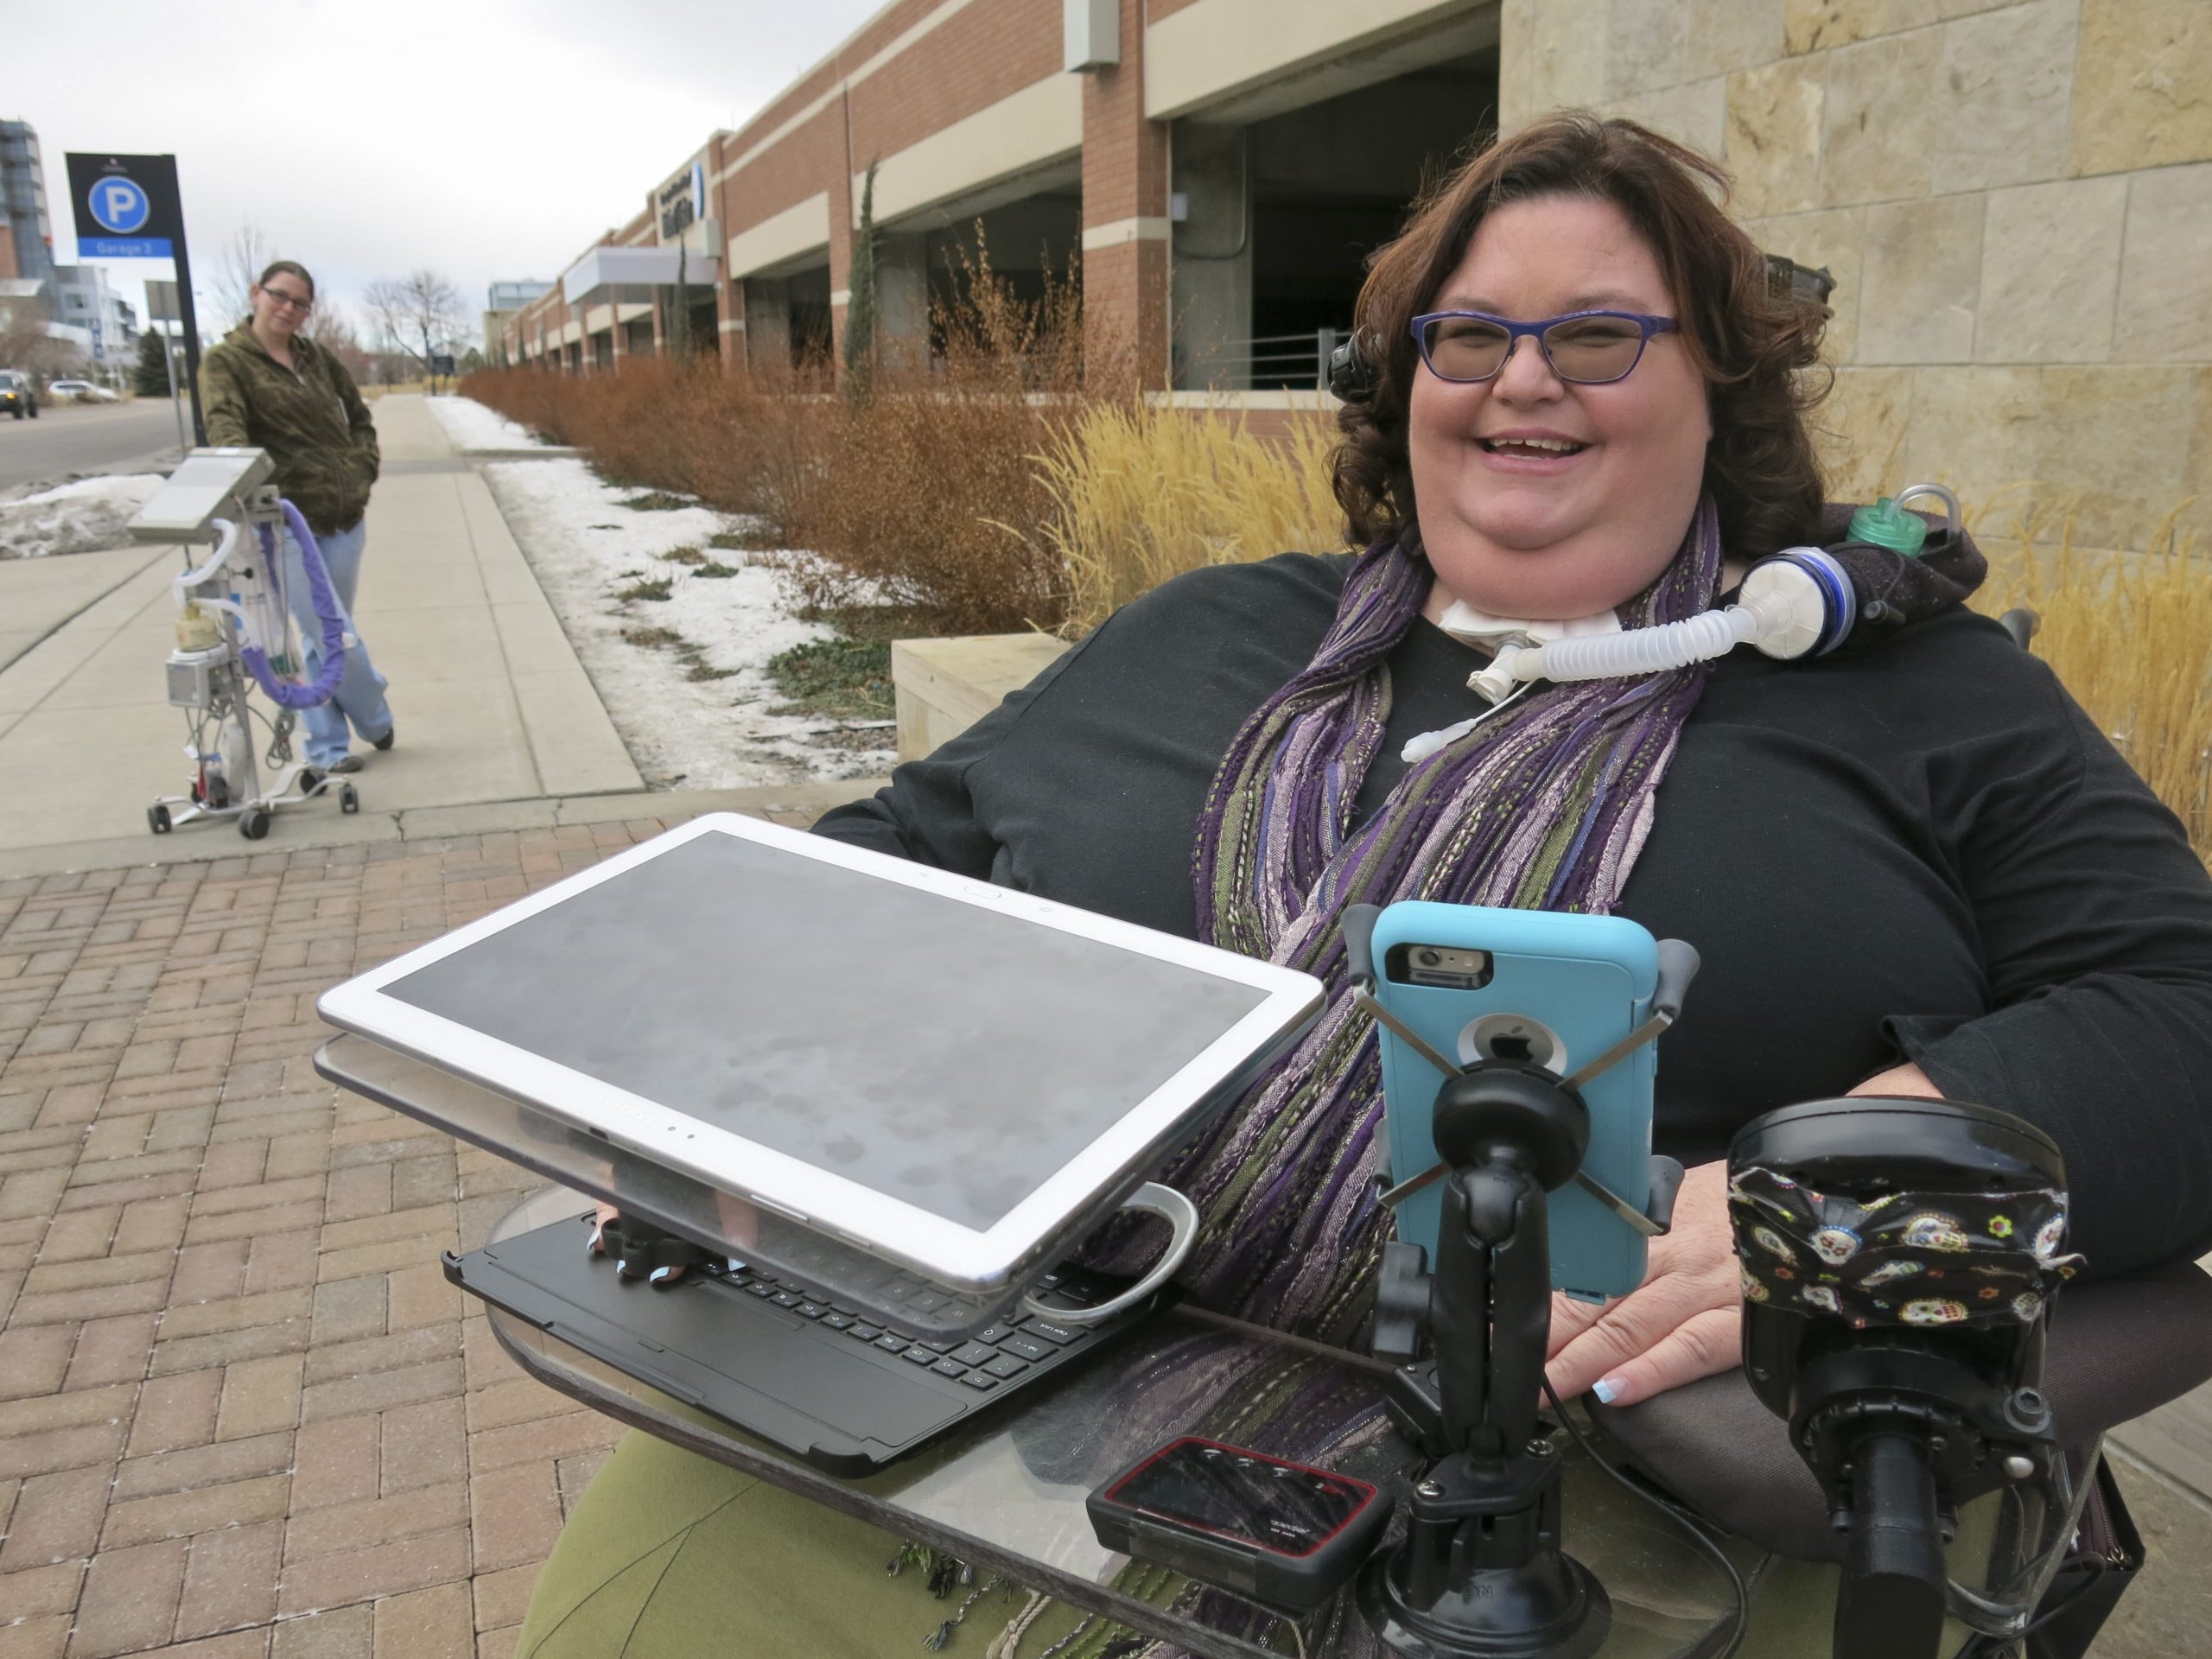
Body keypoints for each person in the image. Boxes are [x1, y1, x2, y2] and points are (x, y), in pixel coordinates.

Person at [517, 114, 2212, 1656]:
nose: (1519, 382)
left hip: (1601, 1516)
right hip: (1000, 1392)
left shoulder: (1911, 697)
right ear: (1403, 385)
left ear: (1719, 389)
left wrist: (1841, 1204)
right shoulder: (1210, 634)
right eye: (1465, 335)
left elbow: (2182, 1006)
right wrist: (722, 1099)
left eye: (1599, 336)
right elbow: (894, 863)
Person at [200, 258, 393, 774]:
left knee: (325, 634)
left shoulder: (317, 358)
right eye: (279, 295)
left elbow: (359, 419)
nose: (288, 308)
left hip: (344, 516)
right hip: (283, 524)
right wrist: (249, 488)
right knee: (333, 634)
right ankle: (371, 716)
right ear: (255, 293)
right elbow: (226, 434)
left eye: (300, 302)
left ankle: (330, 746)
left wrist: (362, 467)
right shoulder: (227, 362)